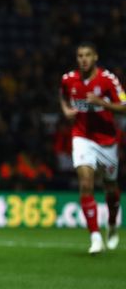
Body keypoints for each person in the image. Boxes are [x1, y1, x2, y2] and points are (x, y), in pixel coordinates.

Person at [59, 42, 124, 254]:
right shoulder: (69, 79)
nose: (83, 59)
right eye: (80, 56)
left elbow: (124, 107)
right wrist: (67, 110)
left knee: (111, 189)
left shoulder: (108, 79)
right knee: (86, 183)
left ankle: (112, 223)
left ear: (95, 57)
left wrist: (101, 103)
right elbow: (63, 95)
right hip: (82, 137)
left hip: (107, 141)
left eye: (87, 55)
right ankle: (95, 237)